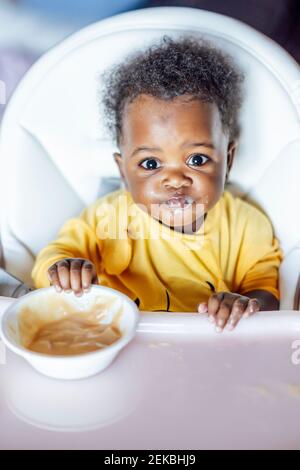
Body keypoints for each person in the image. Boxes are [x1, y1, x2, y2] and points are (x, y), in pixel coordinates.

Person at [32, 36, 283, 331]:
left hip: (207, 353)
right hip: (115, 341)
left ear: (228, 160)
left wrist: (244, 303)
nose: (175, 179)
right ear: (123, 172)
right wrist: (65, 270)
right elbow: (51, 260)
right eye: (151, 164)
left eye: (197, 160)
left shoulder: (246, 226)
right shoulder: (106, 219)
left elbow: (267, 292)